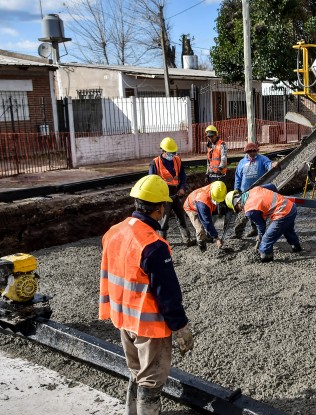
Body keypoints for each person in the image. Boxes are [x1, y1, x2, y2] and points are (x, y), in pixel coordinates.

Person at [99, 175, 194, 415]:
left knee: (137, 372)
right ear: (161, 208)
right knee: (151, 380)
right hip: (148, 327)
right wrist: (180, 326)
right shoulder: (153, 245)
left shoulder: (114, 232)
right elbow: (168, 294)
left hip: (123, 319)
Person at [225, 184, 302, 262]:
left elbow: (261, 225)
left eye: (237, 209)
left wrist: (260, 236)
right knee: (287, 229)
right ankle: (296, 247)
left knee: (266, 239)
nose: (240, 210)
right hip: (291, 207)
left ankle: (266, 258)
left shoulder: (250, 210)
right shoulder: (254, 190)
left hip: (283, 214)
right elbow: (273, 187)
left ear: (237, 204)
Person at [148, 137, 194, 246]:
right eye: (170, 153)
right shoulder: (155, 163)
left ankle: (187, 239)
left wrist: (182, 187)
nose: (172, 155)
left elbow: (182, 175)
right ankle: (162, 243)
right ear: (163, 151)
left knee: (181, 217)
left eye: (174, 152)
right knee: (163, 222)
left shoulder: (177, 160)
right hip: (163, 197)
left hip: (176, 194)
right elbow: (151, 182)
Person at [233, 142, 274, 239]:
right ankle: (241, 233)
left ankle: (261, 231)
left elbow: (269, 165)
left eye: (254, 151)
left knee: (257, 211)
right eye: (249, 151)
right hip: (245, 192)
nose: (252, 153)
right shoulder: (242, 163)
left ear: (257, 151)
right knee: (244, 213)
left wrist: (273, 165)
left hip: (258, 192)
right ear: (246, 152)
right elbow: (238, 177)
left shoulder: (262, 159)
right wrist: (236, 190)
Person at [183, 181, 227, 252]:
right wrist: (217, 238)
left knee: (213, 222)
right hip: (191, 207)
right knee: (200, 229)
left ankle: (209, 238)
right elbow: (206, 221)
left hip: (203, 202)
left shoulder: (218, 187)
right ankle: (202, 247)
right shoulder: (203, 203)